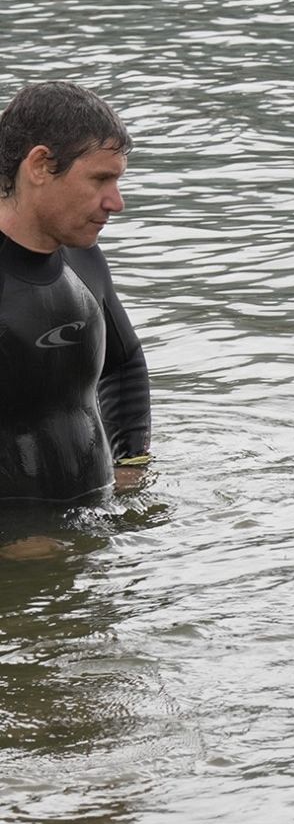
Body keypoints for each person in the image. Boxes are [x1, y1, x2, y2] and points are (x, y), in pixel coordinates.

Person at [0, 81, 150, 506]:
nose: (116, 202)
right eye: (101, 178)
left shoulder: (83, 260)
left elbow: (124, 367)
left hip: (92, 526)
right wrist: (14, 540)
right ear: (41, 166)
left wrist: (132, 467)